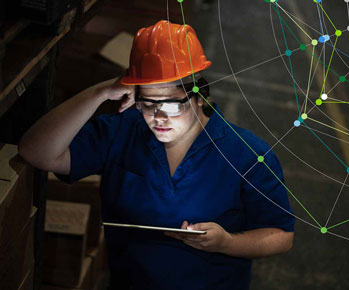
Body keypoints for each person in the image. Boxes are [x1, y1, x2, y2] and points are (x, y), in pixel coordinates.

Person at [18, 20, 295, 289]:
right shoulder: (123, 133)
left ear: (200, 95)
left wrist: (227, 243)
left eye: (172, 105)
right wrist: (99, 93)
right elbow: (36, 152)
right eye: (148, 103)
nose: (158, 118)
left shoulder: (247, 154)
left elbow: (281, 235)